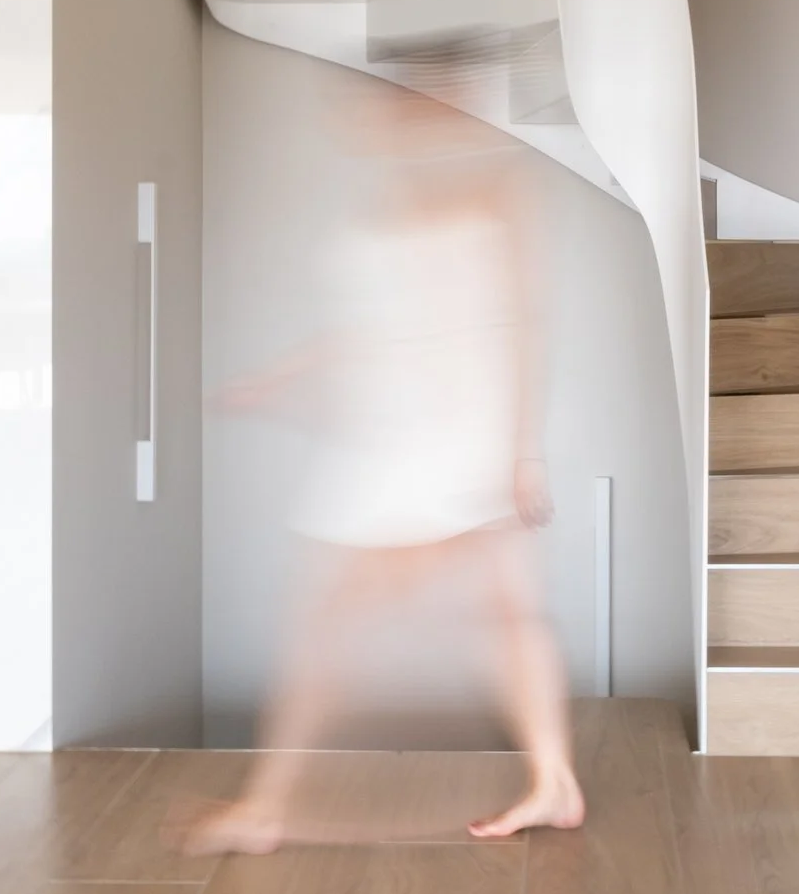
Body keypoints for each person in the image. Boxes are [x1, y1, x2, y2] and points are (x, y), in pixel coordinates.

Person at [184, 75, 584, 854]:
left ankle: (267, 806)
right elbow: (366, 329)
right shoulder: (385, 203)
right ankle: (553, 780)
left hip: (461, 434)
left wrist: (523, 451)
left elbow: (526, 323)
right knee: (472, 612)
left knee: (447, 613)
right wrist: (276, 378)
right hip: (389, 435)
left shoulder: (499, 188)